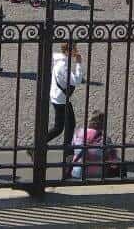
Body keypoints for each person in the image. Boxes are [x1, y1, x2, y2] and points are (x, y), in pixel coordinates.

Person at [44, 42, 84, 173]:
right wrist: (79, 63)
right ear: (68, 50)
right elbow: (77, 80)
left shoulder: (61, 61)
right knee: (62, 127)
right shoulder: (62, 66)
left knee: (66, 126)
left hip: (59, 97)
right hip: (61, 100)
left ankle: (67, 152)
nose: (76, 51)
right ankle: (67, 155)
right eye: (74, 49)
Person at [71, 112, 120, 180]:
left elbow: (73, 148)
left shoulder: (77, 134)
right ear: (103, 124)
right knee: (121, 165)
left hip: (77, 173)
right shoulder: (105, 139)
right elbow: (114, 163)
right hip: (98, 175)